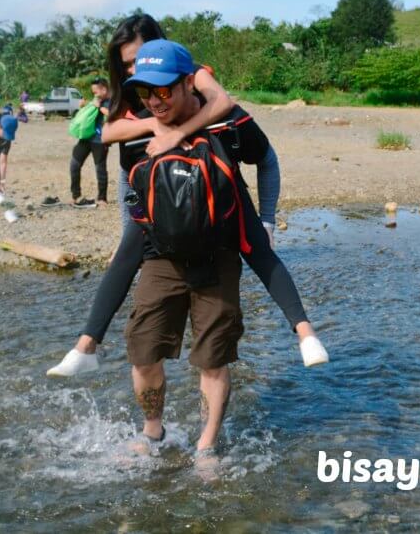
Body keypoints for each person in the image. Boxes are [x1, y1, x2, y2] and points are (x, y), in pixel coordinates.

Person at [47, 23, 328, 377]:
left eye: (143, 62)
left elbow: (251, 139)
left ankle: (305, 332)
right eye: (130, 67)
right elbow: (126, 172)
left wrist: (268, 218)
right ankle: (87, 345)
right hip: (161, 207)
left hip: (219, 192)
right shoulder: (139, 117)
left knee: (257, 245)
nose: (140, 74)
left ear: (184, 79)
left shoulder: (210, 98)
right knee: (126, 253)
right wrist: (133, 218)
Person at [120, 39, 271, 456]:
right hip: (161, 259)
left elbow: (267, 159)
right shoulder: (137, 136)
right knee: (144, 351)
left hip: (219, 258)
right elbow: (131, 194)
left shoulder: (227, 124)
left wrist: (269, 219)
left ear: (190, 83)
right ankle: (153, 431)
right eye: (145, 92)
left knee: (212, 357)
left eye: (164, 90)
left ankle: (206, 446)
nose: (154, 100)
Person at [69, 77, 111, 208]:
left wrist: (100, 108)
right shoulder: (96, 100)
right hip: (86, 138)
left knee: (100, 169)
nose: (95, 94)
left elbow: (113, 115)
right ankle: (76, 195)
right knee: (74, 165)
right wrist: (84, 106)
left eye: (96, 92)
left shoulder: (111, 101)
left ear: (104, 89)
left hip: (100, 140)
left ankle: (102, 198)